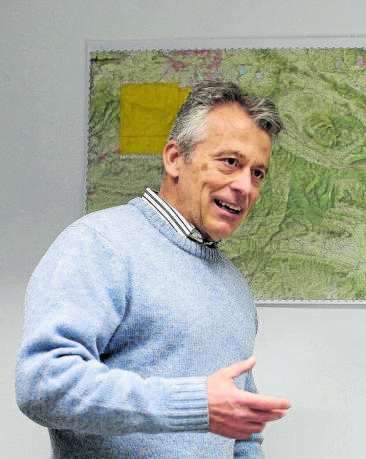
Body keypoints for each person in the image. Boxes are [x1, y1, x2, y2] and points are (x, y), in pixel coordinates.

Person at [15, 80, 292, 458]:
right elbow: (44, 385)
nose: (245, 185)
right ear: (175, 159)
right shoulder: (99, 243)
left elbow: (243, 431)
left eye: (258, 173)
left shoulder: (234, 285)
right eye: (231, 162)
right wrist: (192, 404)